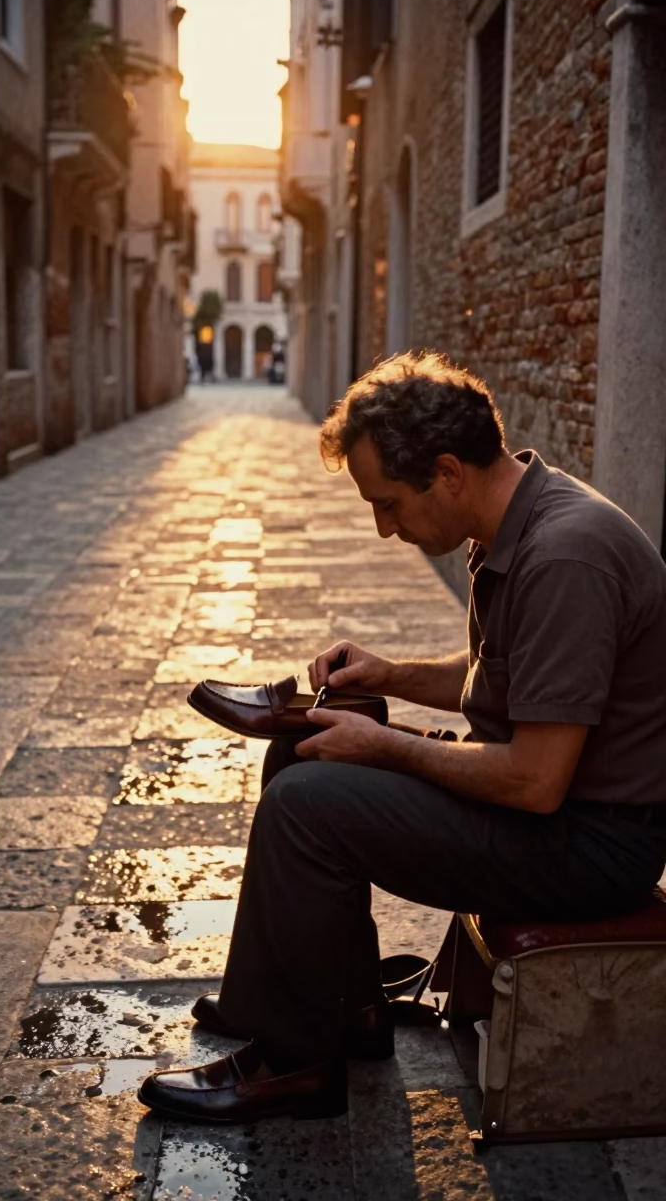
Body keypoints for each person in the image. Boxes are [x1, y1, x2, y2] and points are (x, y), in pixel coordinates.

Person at [139, 353, 666, 1125]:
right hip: (557, 814)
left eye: (388, 504)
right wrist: (384, 677)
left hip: (590, 845)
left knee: (308, 805)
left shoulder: (564, 556)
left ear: (447, 473)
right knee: (306, 744)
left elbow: (534, 781)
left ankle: (295, 1065)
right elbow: (498, 674)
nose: (385, 528)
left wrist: (383, 748)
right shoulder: (516, 520)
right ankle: (341, 1007)